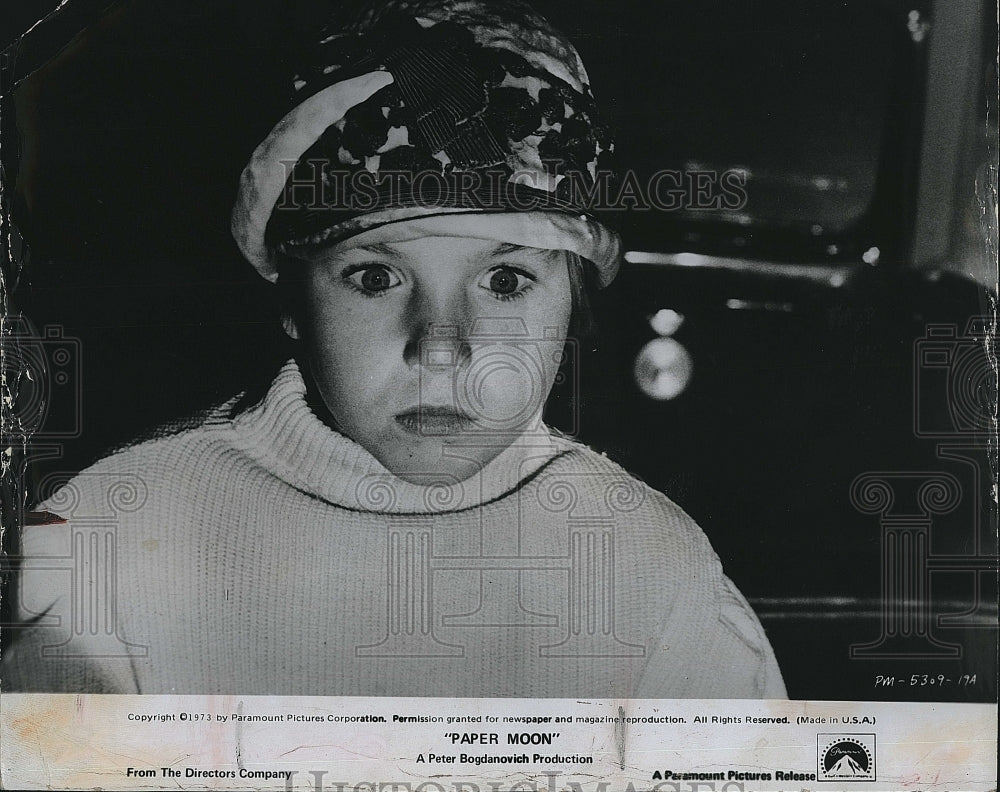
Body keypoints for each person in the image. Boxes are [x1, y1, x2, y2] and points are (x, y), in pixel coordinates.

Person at [2, 0, 785, 698]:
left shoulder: (651, 569)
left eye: (506, 281)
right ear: (293, 303)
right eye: (375, 276)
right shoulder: (107, 548)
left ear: (575, 301)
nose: (442, 349)